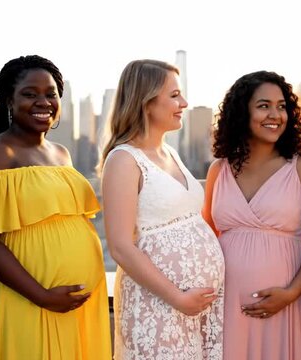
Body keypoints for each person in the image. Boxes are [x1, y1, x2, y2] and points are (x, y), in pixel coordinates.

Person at [0, 55, 111, 360]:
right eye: (30, 94)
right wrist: (42, 296)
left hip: (72, 307)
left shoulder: (61, 153)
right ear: (9, 101)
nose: (44, 102)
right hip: (25, 300)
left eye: (51, 94)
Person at [202, 70, 301, 359]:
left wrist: (291, 292)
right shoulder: (218, 170)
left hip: (289, 304)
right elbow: (206, 240)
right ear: (241, 112)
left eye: (282, 106)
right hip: (227, 307)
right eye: (263, 106)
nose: (275, 114)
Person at [101, 59, 225, 359]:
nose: (183, 103)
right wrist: (178, 298)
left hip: (196, 309)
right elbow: (120, 247)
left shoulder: (169, 152)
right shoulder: (123, 160)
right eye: (174, 95)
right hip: (158, 305)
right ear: (146, 102)